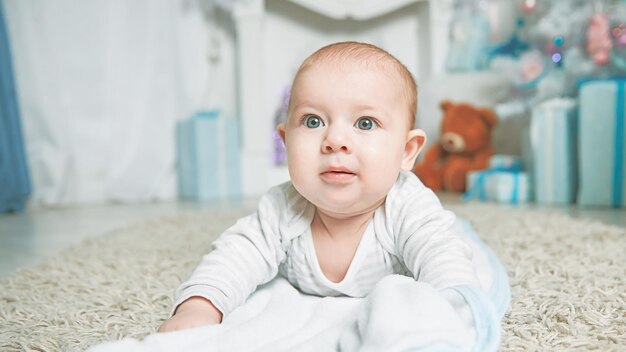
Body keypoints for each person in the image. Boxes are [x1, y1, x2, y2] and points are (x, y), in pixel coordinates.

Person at [158, 41, 481, 333]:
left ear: (407, 151)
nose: (335, 141)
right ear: (286, 142)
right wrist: (200, 305)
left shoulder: (407, 206)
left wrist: (451, 313)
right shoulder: (281, 208)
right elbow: (235, 256)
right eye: (313, 121)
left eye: (365, 123)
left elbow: (443, 259)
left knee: (456, 241)